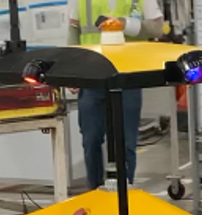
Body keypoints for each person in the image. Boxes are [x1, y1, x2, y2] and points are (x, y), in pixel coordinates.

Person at [68, 0, 164, 190]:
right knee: (91, 138)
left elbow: (157, 29)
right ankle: (94, 191)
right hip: (92, 76)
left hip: (128, 76)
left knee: (126, 140)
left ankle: (124, 191)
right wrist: (72, 71)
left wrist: (125, 23)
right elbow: (73, 33)